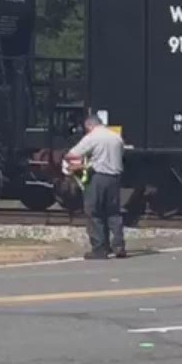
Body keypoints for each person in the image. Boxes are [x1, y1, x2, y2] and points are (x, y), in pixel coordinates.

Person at [64, 111, 129, 260]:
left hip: (98, 178)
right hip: (115, 178)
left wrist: (77, 163)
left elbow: (72, 154)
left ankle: (99, 249)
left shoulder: (93, 137)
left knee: (94, 212)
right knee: (113, 213)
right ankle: (119, 246)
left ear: (89, 125)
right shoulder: (116, 137)